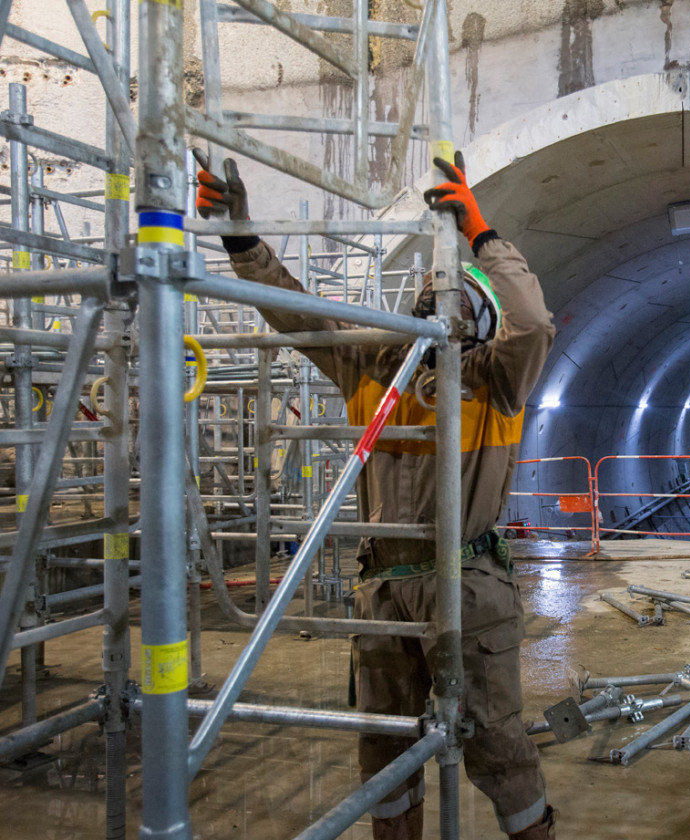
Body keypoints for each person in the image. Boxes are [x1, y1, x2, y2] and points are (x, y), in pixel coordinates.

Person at [193, 149, 557, 840]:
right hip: (385, 588)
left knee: (500, 751)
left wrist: (482, 231)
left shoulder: (495, 380)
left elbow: (534, 322)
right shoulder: (371, 364)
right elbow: (292, 311)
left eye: (447, 301)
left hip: (465, 584)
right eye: (425, 299)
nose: (430, 304)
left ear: (476, 323)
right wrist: (240, 236)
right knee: (384, 756)